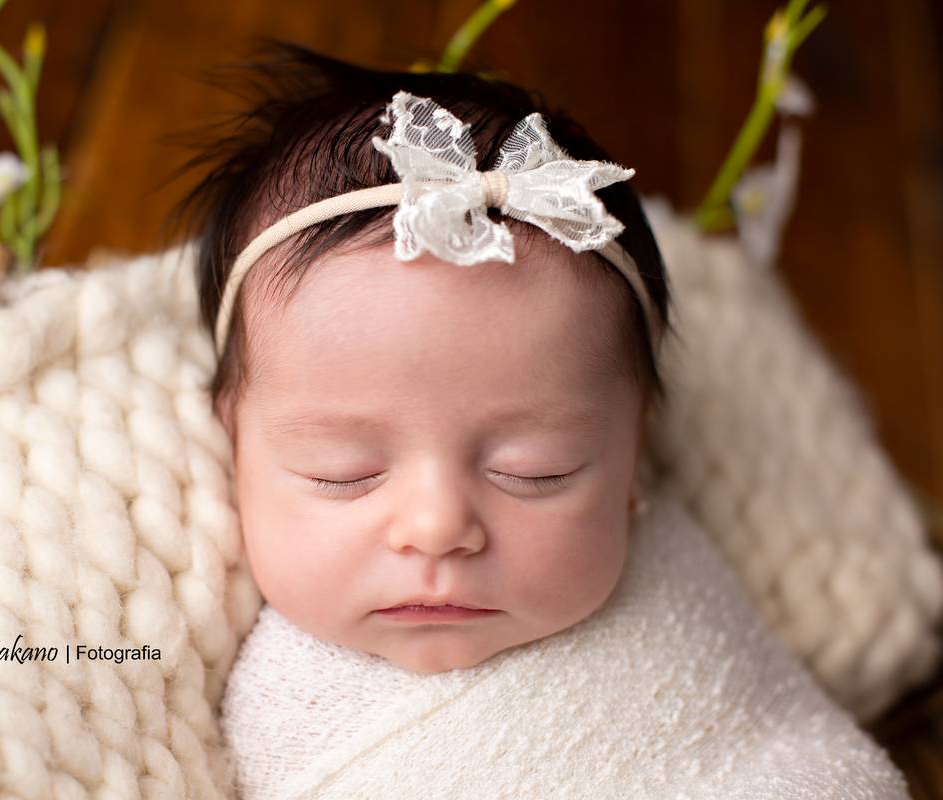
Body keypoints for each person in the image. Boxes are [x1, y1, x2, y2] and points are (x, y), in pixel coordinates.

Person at [181, 47, 909, 799]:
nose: (437, 528)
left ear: (634, 451)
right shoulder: (248, 689)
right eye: (344, 472)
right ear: (234, 439)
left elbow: (801, 756)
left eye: (534, 471)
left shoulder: (681, 593)